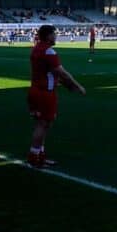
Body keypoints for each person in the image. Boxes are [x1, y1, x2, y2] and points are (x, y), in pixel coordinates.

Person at [27, 25, 85, 168]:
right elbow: (61, 72)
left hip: (36, 90)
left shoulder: (36, 49)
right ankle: (34, 157)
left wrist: (65, 85)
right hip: (45, 93)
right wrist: (77, 86)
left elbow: (50, 72)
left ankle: (39, 155)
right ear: (48, 36)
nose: (56, 36)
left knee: (42, 124)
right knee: (43, 124)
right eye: (54, 34)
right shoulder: (49, 51)